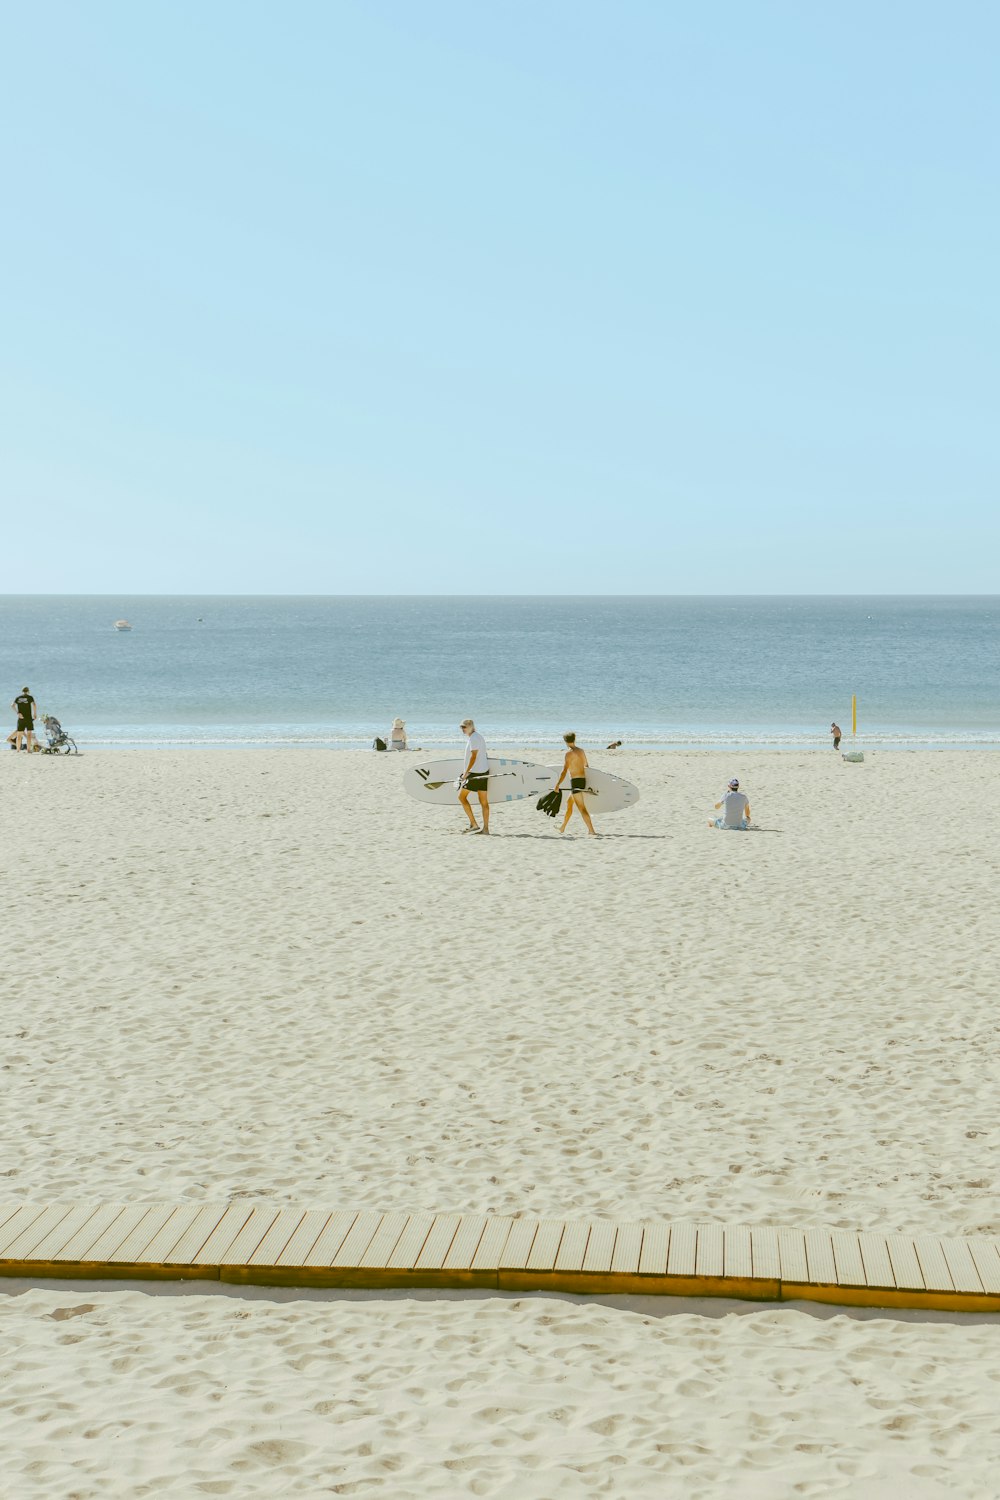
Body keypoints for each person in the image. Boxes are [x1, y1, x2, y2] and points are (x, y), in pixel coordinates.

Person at [554, 732, 597, 836]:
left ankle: (591, 831)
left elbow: (564, 771)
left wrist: (557, 785)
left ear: (566, 742)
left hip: (575, 782)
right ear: (574, 739)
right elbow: (586, 765)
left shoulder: (568, 754)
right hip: (582, 781)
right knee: (569, 803)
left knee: (582, 808)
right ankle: (562, 827)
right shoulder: (581, 751)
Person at [458, 719, 490, 834]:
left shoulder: (474, 738)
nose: (463, 729)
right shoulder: (478, 737)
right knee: (483, 801)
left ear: (471, 727)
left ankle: (473, 824)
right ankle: (485, 829)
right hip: (484, 771)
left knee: (461, 797)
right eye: (461, 727)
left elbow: (473, 757)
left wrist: (466, 772)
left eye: (464, 727)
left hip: (475, 773)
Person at [11, 686, 38, 752]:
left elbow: (12, 705)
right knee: (29, 734)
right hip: (28, 718)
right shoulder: (30, 697)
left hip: (21, 718)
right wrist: (34, 714)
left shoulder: (18, 698)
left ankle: (18, 749)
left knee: (19, 734)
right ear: (28, 691)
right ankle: (28, 750)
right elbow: (34, 705)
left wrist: (17, 713)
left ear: (22, 691)